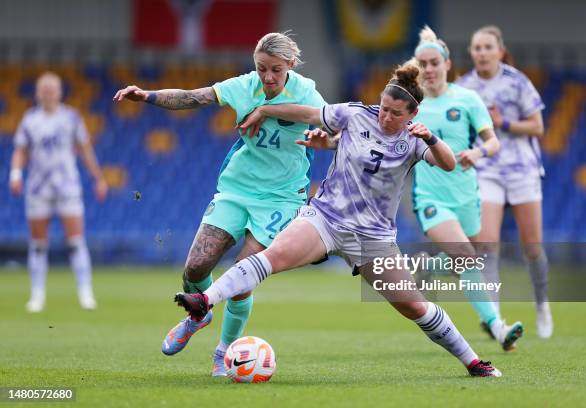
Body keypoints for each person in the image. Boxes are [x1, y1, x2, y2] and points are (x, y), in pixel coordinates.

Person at [174, 61, 503, 377]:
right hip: (326, 219)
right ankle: (204, 300)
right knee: (269, 258)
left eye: (395, 113)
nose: (386, 116)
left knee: (415, 307)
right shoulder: (357, 114)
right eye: (384, 107)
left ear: (413, 114)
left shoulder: (415, 141)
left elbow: (447, 163)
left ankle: (473, 362)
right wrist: (265, 109)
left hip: (373, 238)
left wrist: (430, 137)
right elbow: (306, 113)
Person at [113, 32, 326, 376]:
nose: (267, 77)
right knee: (195, 269)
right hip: (237, 189)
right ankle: (201, 313)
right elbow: (192, 97)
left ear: (290, 65)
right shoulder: (245, 86)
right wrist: (148, 95)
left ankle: (224, 352)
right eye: (261, 69)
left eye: (275, 70)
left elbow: (324, 120)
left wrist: (274, 114)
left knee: (243, 271)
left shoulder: (305, 91)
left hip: (282, 197)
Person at [409, 26, 523, 351]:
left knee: (473, 260)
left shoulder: (468, 99)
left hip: (467, 196)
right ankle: (498, 327)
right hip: (431, 199)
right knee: (468, 260)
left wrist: (477, 152)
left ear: (446, 64)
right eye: (423, 64)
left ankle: (428, 265)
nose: (429, 70)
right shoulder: (412, 106)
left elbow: (493, 142)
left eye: (434, 63)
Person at [457, 25, 552, 338]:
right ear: (472, 53)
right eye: (477, 48)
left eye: (488, 47)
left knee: (532, 247)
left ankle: (541, 304)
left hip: (522, 168)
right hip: (487, 170)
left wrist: (504, 123)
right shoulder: (465, 88)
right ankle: (495, 319)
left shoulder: (516, 81)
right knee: (486, 245)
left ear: (499, 51)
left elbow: (538, 126)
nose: (482, 53)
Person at [9, 71, 108, 313]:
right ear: (38, 93)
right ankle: (37, 295)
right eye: (44, 90)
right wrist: (15, 173)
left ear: (60, 92)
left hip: (67, 185)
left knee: (75, 241)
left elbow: (84, 149)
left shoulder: (71, 118)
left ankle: (85, 293)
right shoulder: (29, 120)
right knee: (38, 245)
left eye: (52, 90)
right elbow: (20, 150)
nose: (48, 94)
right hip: (38, 187)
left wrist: (98, 178)